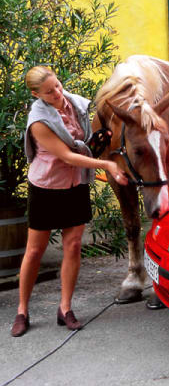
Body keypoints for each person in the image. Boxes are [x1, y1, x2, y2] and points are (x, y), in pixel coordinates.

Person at [11, 66, 129, 338]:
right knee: (34, 251)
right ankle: (22, 311)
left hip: (76, 184)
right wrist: (106, 165)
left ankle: (65, 308)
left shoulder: (76, 104)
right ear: (36, 94)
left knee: (73, 245)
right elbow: (67, 155)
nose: (57, 93)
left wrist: (95, 142)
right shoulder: (38, 121)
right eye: (49, 92)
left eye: (58, 85)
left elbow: (80, 144)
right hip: (47, 188)